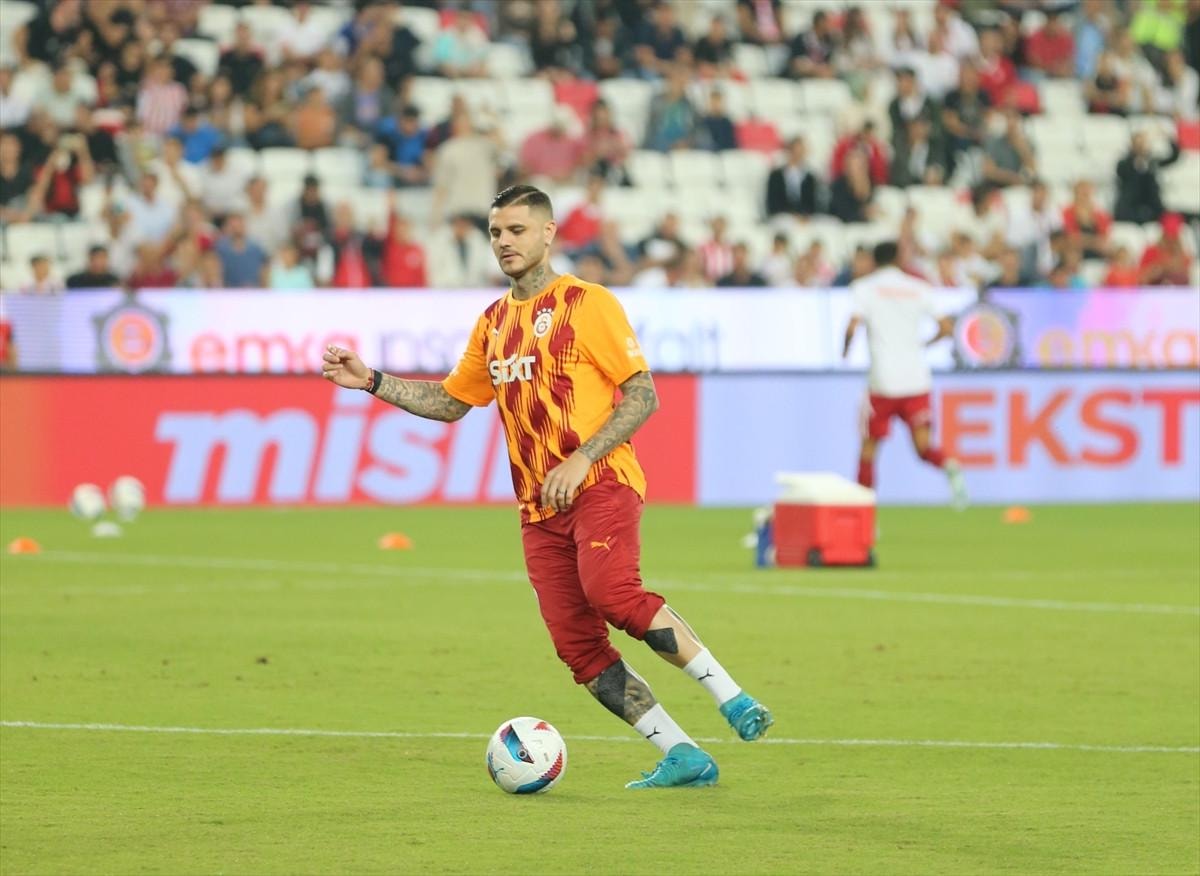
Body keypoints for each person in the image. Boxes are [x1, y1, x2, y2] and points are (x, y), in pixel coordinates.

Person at [321, 184, 773, 789]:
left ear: (547, 233)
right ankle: (681, 753)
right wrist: (372, 381)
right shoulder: (493, 323)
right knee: (577, 646)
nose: (504, 242)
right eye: (495, 233)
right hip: (538, 508)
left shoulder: (588, 303)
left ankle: (731, 696)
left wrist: (582, 459)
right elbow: (453, 402)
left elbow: (643, 396)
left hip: (601, 481)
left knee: (613, 594)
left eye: (516, 230)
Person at [842, 241, 967, 508]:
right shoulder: (919, 288)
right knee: (923, 447)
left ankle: (864, 511)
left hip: (883, 382)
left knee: (868, 450)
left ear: (874, 261)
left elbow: (852, 327)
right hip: (916, 380)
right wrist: (925, 344)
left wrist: (844, 351)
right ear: (899, 260)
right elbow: (947, 328)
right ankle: (948, 464)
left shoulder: (864, 288)